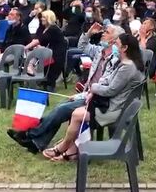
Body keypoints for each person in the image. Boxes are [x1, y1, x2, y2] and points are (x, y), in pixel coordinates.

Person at [7, 24, 126, 153]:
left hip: (97, 99)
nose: (102, 34)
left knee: (61, 109)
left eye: (106, 32)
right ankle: (36, 142)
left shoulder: (115, 60)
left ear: (114, 40)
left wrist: (81, 95)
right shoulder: (99, 51)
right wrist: (89, 33)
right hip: (88, 94)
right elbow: (82, 46)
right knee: (60, 106)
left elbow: (104, 86)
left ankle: (30, 135)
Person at [41, 33, 145, 161]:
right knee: (77, 111)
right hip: (109, 104)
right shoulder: (123, 62)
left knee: (76, 114)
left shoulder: (127, 67)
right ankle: (71, 150)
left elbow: (110, 90)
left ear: (125, 48)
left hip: (114, 109)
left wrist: (93, 88)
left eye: (117, 44)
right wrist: (95, 87)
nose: (114, 47)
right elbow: (108, 80)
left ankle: (64, 148)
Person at [24, 10, 67, 91]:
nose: (42, 19)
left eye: (44, 17)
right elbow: (41, 41)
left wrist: (25, 48)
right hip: (50, 52)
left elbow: (38, 41)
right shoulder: (45, 28)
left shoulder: (53, 29)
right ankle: (31, 69)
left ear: (49, 18)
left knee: (35, 50)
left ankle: (30, 68)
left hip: (56, 55)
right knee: (37, 50)